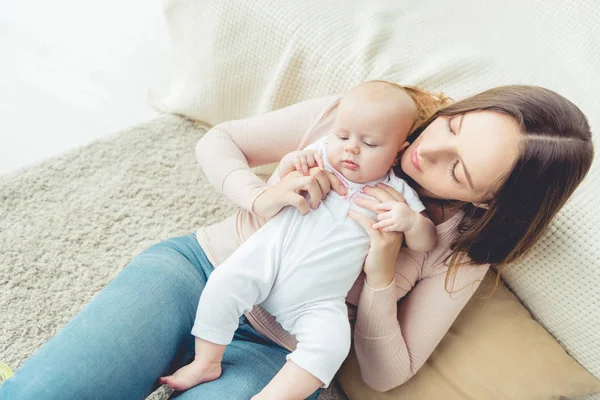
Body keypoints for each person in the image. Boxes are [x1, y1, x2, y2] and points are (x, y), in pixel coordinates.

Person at [0, 83, 593, 400]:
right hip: (199, 272)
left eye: (458, 171)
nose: (427, 150)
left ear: (486, 202)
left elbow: (389, 374)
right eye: (454, 126)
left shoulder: (458, 247)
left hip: (280, 350)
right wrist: (259, 197)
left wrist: (383, 273)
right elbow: (221, 142)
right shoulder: (368, 120)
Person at [159, 82, 437, 396]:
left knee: (332, 345)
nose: (351, 148)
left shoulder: (397, 194)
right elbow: (277, 166)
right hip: (265, 260)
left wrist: (411, 222)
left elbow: (426, 240)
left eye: (370, 143)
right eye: (343, 136)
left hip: (317, 299)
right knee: (224, 284)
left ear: (398, 151)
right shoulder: (319, 156)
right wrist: (284, 171)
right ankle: (207, 361)